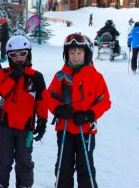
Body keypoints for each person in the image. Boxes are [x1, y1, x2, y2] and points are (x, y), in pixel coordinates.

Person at [47, 33, 111, 188]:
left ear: (87, 54)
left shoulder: (96, 77)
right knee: (64, 167)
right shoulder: (61, 76)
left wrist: (90, 115)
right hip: (65, 129)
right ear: (66, 54)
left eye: (79, 53)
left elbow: (104, 101)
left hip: (86, 130)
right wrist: (59, 110)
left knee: (85, 166)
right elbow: (49, 97)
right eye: (72, 52)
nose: (75, 56)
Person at [0, 36, 48, 188]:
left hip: (26, 128)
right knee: (4, 158)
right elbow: (1, 91)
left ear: (28, 54)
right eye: (13, 55)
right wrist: (14, 76)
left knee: (24, 160)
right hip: (6, 126)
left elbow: (42, 101)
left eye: (22, 54)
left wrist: (42, 121)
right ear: (9, 57)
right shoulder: (4, 73)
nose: (18, 58)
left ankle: (24, 185)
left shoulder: (36, 77)